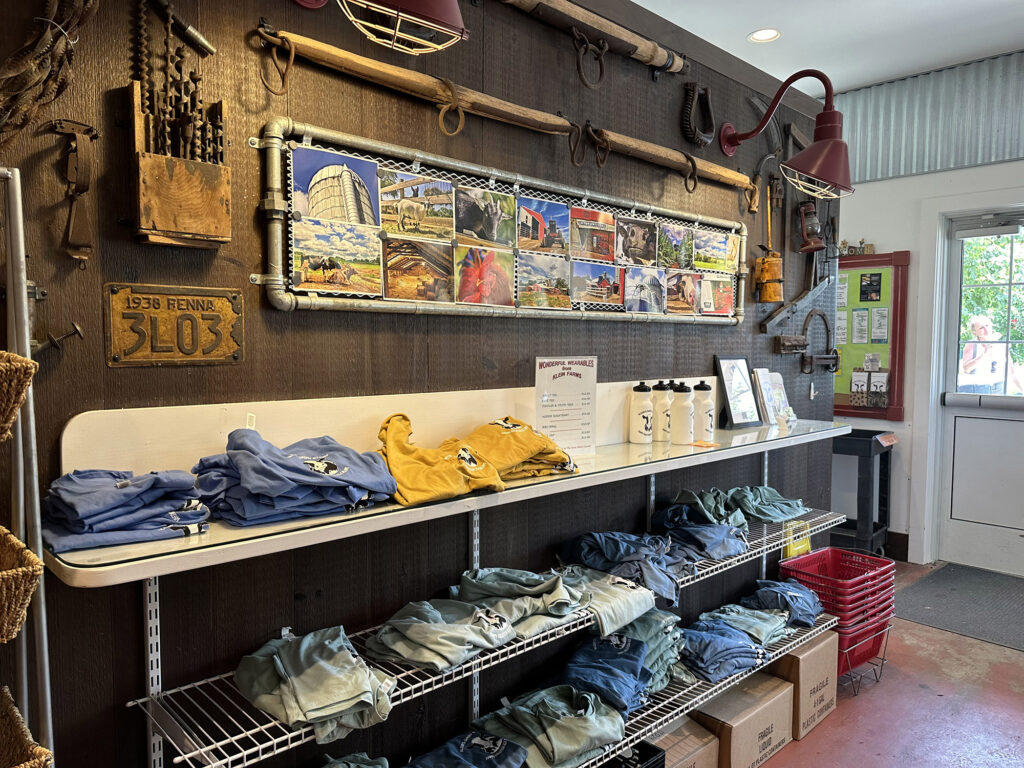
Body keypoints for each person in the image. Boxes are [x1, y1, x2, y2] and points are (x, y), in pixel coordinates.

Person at [959, 315, 1024, 395]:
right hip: (977, 388)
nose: (986, 329)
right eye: (981, 328)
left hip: (999, 387)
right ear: (974, 332)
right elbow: (967, 369)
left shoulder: (1002, 345)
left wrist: (1022, 390)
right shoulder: (972, 344)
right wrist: (985, 353)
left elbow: (1011, 371)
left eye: (987, 325)